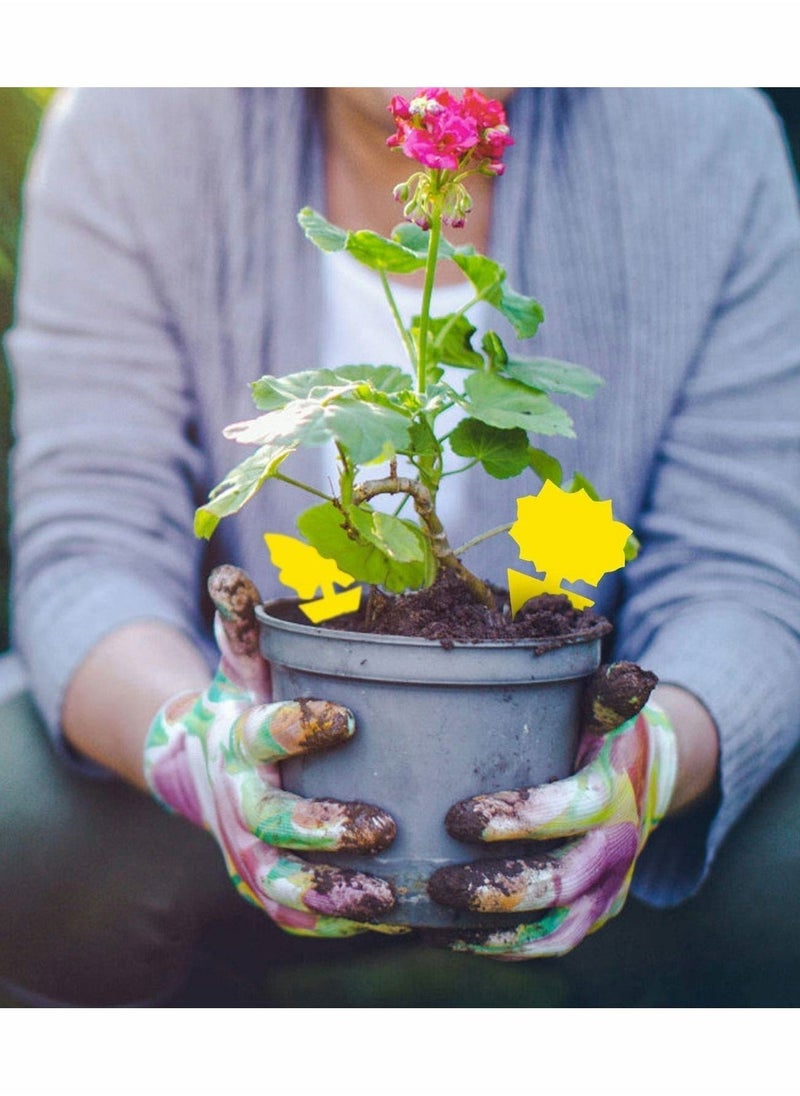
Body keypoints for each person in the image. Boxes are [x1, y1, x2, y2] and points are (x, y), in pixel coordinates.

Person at [1, 87, 799, 1006]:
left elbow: (739, 573)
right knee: (16, 808)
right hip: (253, 746)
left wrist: (655, 766)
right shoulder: (130, 121)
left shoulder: (709, 138)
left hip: (568, 759)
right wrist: (200, 747)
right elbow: (88, 541)